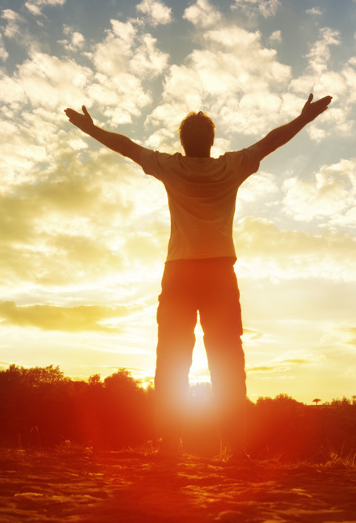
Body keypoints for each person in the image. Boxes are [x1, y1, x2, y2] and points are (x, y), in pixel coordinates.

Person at [64, 93, 332, 454]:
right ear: (211, 141)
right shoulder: (233, 166)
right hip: (219, 271)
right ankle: (235, 445)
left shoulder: (169, 167)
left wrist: (91, 128)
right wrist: (304, 118)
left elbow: (126, 146)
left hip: (178, 273)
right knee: (227, 357)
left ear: (182, 141)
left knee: (172, 354)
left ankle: (171, 443)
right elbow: (271, 141)